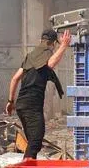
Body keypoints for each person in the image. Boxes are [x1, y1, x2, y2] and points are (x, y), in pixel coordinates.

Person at [5, 29, 72, 159]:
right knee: (35, 142)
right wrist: (64, 45)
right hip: (32, 106)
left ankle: (27, 166)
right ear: (53, 43)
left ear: (40, 40)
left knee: (32, 142)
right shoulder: (46, 53)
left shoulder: (31, 56)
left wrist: (10, 101)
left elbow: (15, 79)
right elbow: (50, 64)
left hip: (21, 105)